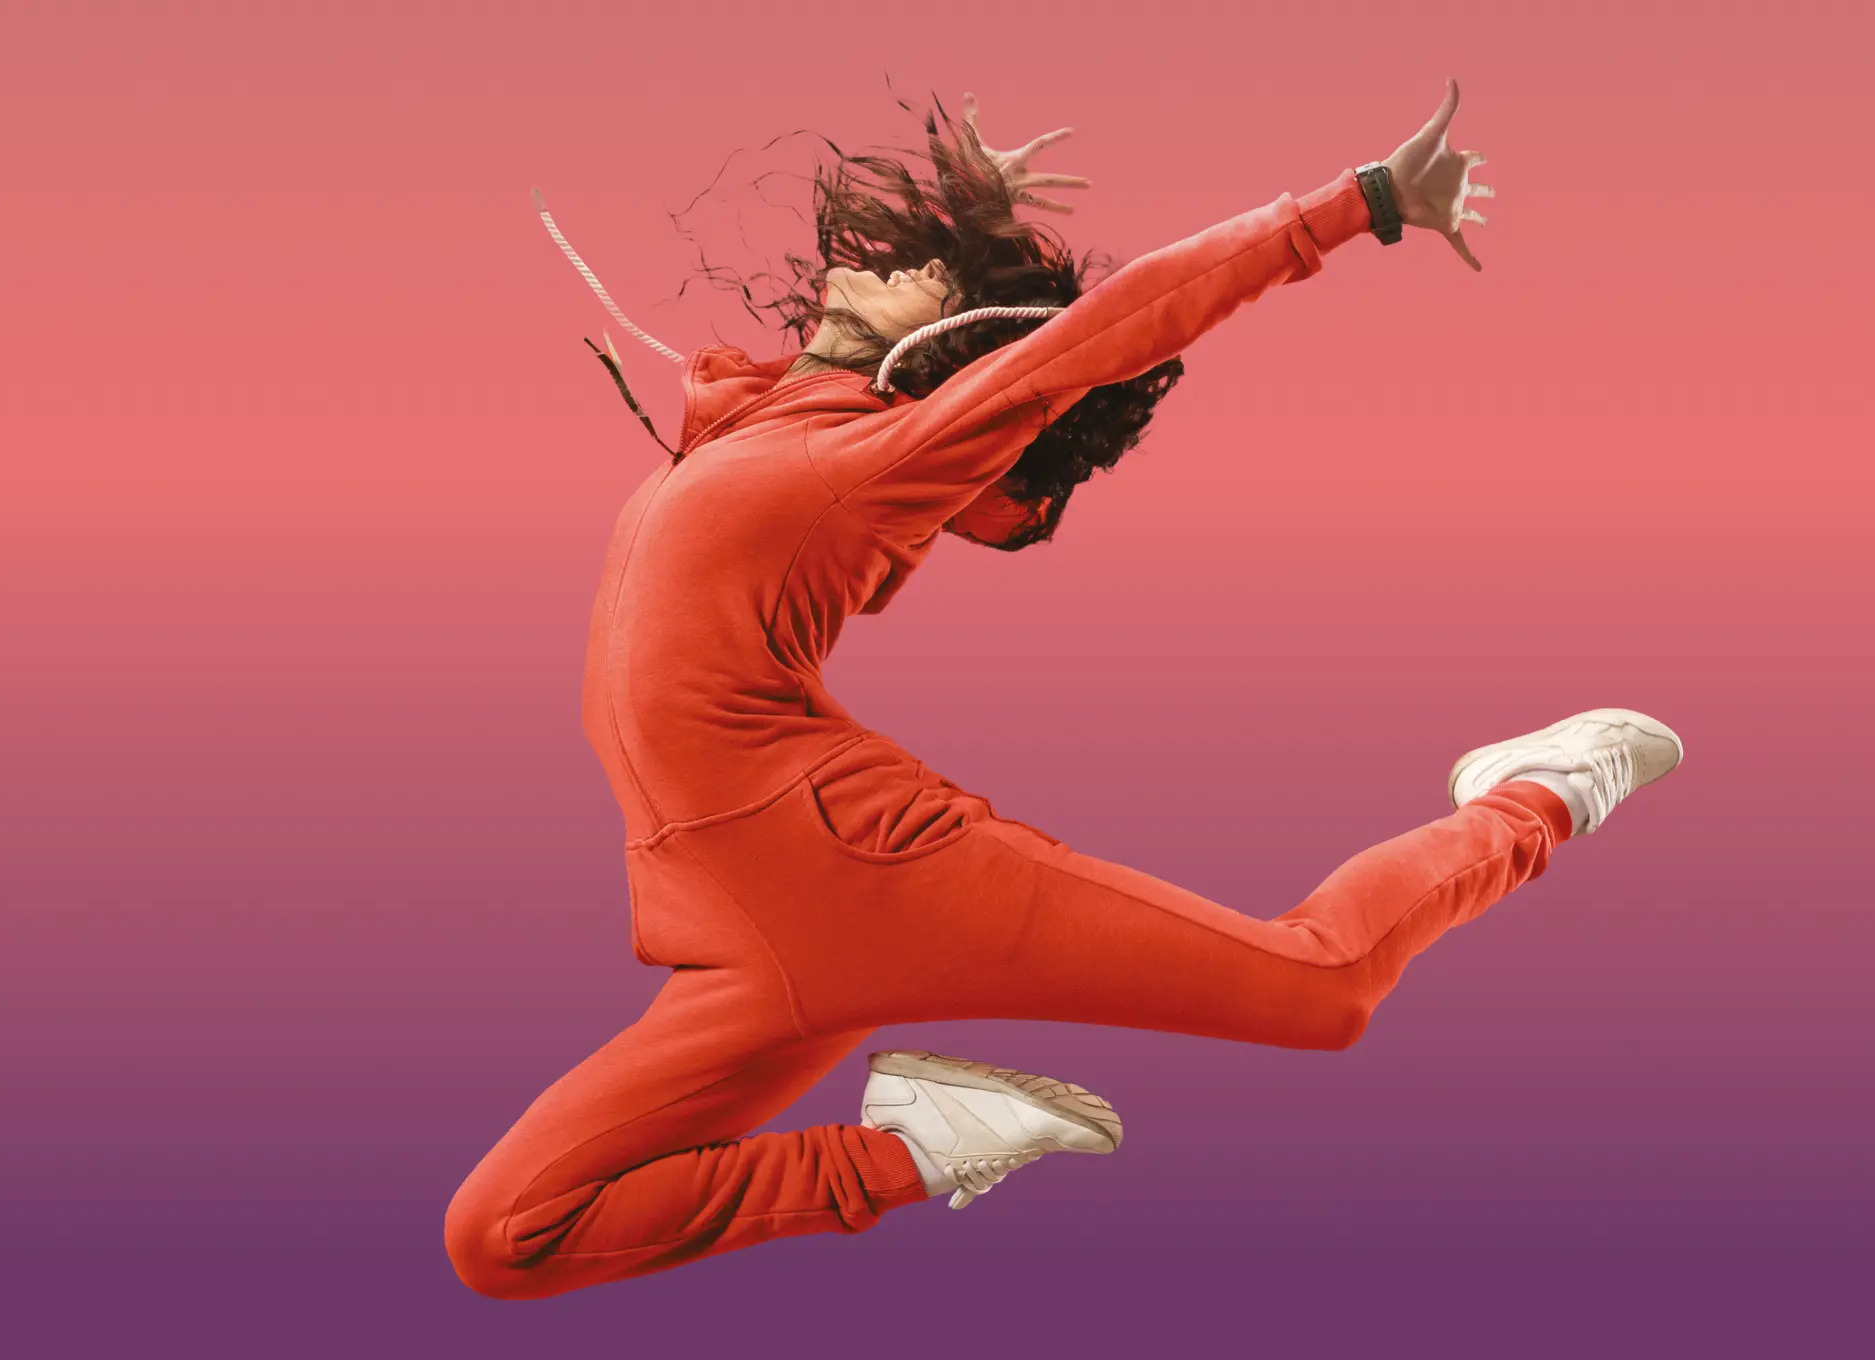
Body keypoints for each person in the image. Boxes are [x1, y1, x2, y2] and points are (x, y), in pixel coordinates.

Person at [448, 80, 1681, 1300]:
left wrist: (1352, 206)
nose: (876, 262)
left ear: (961, 338)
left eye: (928, 266)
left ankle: (1534, 795)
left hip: (862, 864)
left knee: (1322, 991)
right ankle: (923, 1144)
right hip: (731, 940)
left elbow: (1114, 330)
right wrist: (974, 208)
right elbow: (763, 390)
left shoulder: (875, 463)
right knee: (505, 1236)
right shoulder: (754, 435)